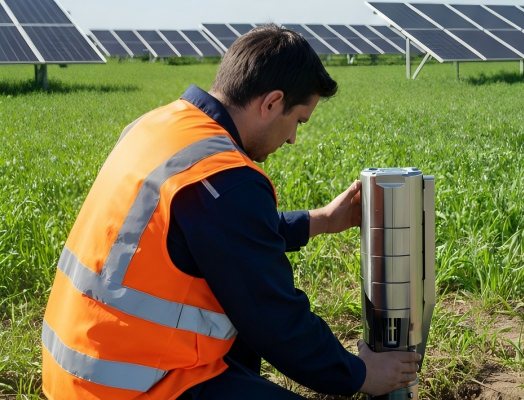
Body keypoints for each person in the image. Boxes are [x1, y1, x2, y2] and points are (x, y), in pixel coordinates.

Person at [41, 24, 420, 399]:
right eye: (298, 121)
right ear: (271, 103)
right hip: (133, 385)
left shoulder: (160, 126)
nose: (292, 139)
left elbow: (223, 234)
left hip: (77, 369)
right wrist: (360, 374)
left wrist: (317, 221)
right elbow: (276, 320)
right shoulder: (225, 178)